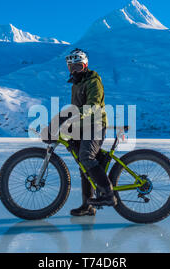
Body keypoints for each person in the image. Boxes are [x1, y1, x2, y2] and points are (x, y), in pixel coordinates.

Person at [40, 48, 117, 216]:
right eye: (71, 67)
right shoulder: (76, 84)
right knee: (84, 166)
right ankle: (87, 206)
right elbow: (76, 109)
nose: (74, 70)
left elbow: (93, 106)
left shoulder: (93, 81)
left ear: (85, 66)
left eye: (78, 67)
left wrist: (69, 115)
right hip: (82, 126)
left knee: (86, 157)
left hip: (96, 124)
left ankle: (109, 195)